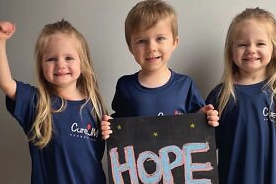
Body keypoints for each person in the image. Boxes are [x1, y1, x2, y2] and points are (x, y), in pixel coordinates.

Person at [0, 20, 107, 184]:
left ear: (82, 62)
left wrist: (112, 130)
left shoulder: (96, 107)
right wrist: (1, 41)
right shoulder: (36, 103)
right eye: (51, 59)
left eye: (69, 57)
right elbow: (6, 83)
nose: (60, 65)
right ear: (41, 65)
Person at [101, 0, 219, 139]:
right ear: (130, 47)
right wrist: (108, 127)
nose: (151, 48)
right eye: (141, 41)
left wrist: (206, 116)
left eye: (160, 38)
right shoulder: (125, 86)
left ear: (174, 42)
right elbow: (119, 125)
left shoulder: (185, 85)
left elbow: (196, 123)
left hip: (178, 159)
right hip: (140, 159)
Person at [206, 8, 276, 184]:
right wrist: (202, 118)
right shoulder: (220, 96)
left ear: (274, 48)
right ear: (231, 50)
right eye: (242, 44)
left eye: (260, 44)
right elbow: (201, 149)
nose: (251, 50)